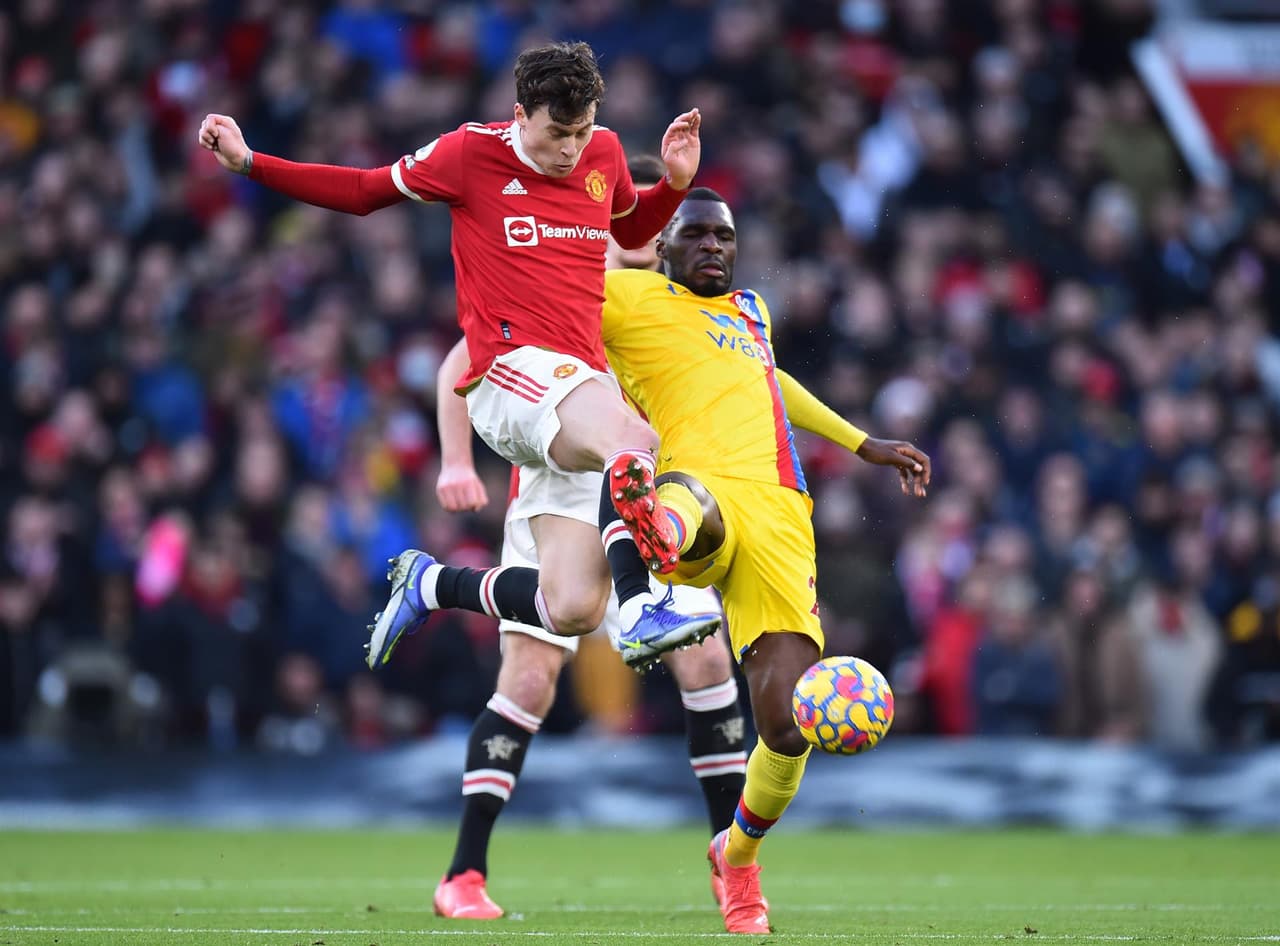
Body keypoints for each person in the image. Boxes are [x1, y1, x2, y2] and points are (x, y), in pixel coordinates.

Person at [197, 41, 718, 673]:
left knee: (575, 605)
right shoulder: (469, 154)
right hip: (508, 375)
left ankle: (432, 585)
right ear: (521, 114)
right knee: (635, 437)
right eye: (557, 133)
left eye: (580, 133)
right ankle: (641, 609)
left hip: (578, 390)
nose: (570, 150)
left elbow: (631, 231)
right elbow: (362, 191)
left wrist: (675, 185)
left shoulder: (603, 151)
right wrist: (251, 162)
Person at [428, 155, 748, 920]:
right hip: (558, 492)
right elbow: (460, 361)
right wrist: (452, 461)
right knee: (531, 678)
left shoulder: (682, 297)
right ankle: (464, 874)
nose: (640, 240)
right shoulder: (575, 275)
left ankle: (731, 863)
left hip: (651, 492)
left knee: (706, 653)